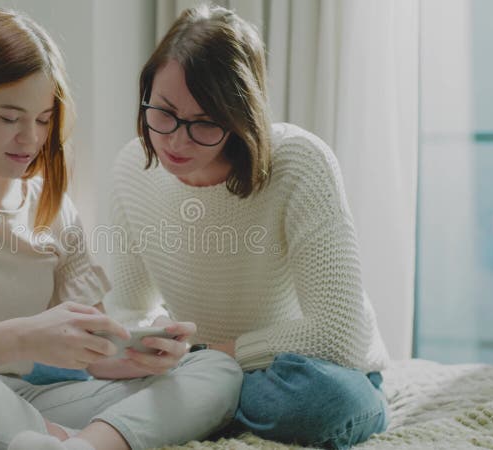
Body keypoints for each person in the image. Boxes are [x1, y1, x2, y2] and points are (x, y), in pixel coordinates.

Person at [0, 9, 242, 450]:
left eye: (44, 119)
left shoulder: (54, 211)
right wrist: (23, 337)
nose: (30, 139)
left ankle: (85, 445)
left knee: (214, 371)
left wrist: (133, 355)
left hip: (26, 403)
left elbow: (95, 355)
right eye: (10, 118)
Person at [105, 5, 391, 449]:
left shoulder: (299, 162)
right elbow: (127, 307)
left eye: (204, 123)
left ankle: (194, 405)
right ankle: (201, 401)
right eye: (162, 112)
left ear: (239, 119)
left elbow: (338, 333)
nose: (176, 140)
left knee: (328, 403)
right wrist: (148, 341)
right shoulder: (131, 168)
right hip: (201, 369)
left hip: (302, 369)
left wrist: (209, 356)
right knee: (53, 360)